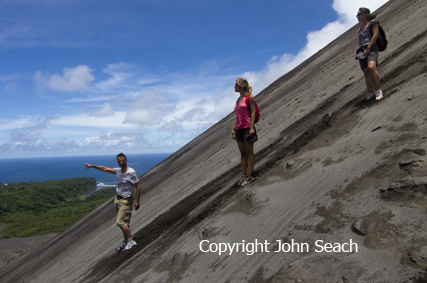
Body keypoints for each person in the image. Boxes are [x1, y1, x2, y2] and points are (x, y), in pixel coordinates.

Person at [84, 153, 140, 251]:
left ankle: (131, 241)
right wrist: (92, 166)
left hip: (126, 200)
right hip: (118, 199)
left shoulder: (131, 172)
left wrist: (137, 201)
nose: (121, 163)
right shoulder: (118, 171)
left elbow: (138, 186)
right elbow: (104, 168)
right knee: (124, 222)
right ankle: (126, 240)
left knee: (120, 222)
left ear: (126, 160)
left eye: (122, 161)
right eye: (119, 161)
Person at [231, 77, 257, 187]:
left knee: (249, 152)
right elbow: (237, 116)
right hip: (239, 129)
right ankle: (243, 175)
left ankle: (250, 176)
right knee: (243, 153)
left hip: (247, 127)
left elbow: (253, 113)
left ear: (241, 85)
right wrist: (233, 129)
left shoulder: (249, 98)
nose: (234, 86)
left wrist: (251, 127)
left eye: (236, 84)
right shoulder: (238, 100)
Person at [355, 7, 383, 101]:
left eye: (359, 14)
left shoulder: (373, 23)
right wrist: (357, 51)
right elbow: (359, 42)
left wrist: (369, 48)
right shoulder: (360, 30)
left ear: (366, 14)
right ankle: (370, 93)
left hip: (372, 48)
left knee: (371, 67)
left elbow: (375, 35)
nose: (357, 16)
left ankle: (378, 90)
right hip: (363, 51)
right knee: (366, 72)